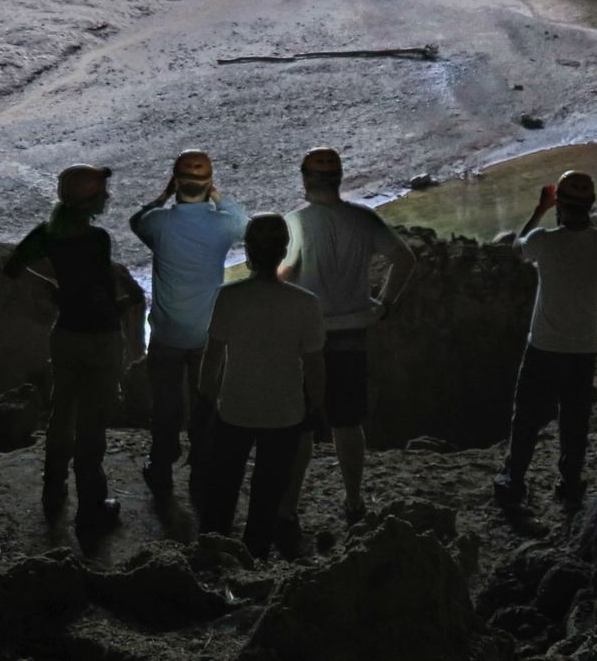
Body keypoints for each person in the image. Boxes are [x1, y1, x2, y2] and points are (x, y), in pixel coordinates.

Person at [280, 145, 419, 527]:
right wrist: (383, 304)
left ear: (305, 179)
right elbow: (404, 259)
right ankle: (354, 500)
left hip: (308, 338)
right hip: (353, 335)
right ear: (339, 178)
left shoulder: (295, 222)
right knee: (347, 421)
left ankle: (288, 507)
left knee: (302, 425)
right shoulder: (363, 219)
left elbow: (283, 274)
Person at [5, 164, 129, 526]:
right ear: (90, 201)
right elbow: (101, 291)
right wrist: (123, 307)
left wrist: (51, 287)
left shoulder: (48, 234)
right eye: (102, 192)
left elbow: (13, 268)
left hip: (66, 333)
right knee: (92, 419)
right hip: (100, 336)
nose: (107, 196)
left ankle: (53, 488)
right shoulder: (97, 239)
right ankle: (92, 503)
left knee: (62, 412)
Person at [198, 214, 324, 557]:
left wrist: (204, 399)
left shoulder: (229, 297)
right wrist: (317, 407)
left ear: (248, 251)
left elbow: (213, 357)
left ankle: (215, 554)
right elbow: (314, 364)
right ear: (284, 250)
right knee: (267, 494)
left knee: (223, 487)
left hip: (235, 408)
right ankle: (254, 557)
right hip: (285, 413)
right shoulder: (305, 303)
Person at [128, 149, 248, 501]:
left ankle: (162, 468)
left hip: (166, 334)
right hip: (208, 335)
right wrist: (217, 195)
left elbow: (137, 219)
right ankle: (202, 471)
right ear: (209, 184)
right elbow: (244, 222)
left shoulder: (158, 224)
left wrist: (163, 196)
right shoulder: (223, 225)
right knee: (206, 403)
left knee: (166, 406)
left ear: (175, 182)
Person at [493, 169, 597, 508]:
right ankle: (570, 483)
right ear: (591, 204)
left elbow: (517, 248)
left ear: (559, 204)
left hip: (544, 346)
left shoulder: (543, 241)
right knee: (575, 420)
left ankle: (514, 481)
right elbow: (584, 233)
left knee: (527, 417)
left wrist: (540, 210)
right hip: (584, 347)